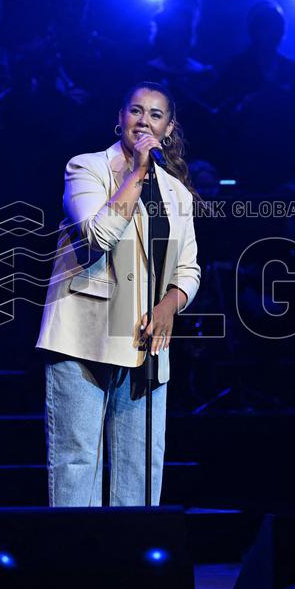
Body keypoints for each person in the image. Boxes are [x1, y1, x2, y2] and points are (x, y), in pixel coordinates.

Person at [36, 82, 201, 507]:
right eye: (136, 111)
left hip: (145, 340)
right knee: (76, 460)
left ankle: (135, 563)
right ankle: (74, 562)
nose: (143, 120)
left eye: (155, 114)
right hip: (83, 336)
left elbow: (189, 269)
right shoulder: (86, 168)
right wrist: (136, 175)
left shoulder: (176, 192)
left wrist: (170, 303)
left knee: (141, 467)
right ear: (121, 116)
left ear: (168, 128)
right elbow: (96, 235)